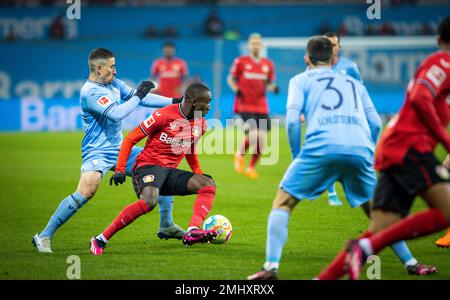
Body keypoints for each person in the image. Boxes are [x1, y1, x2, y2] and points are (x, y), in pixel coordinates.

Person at [247, 36, 432, 280]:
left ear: (306, 58)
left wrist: (296, 155)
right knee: (379, 213)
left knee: (283, 203)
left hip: (320, 148)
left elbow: (292, 121)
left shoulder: (300, 80)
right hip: (360, 149)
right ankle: (412, 263)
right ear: (334, 58)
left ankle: (270, 268)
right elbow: (376, 121)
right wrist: (367, 149)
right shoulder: (354, 83)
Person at [322, 16, 450, 280]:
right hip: (409, 147)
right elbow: (419, 96)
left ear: (438, 39)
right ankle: (366, 247)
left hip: (395, 148)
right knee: (446, 212)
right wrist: (446, 141)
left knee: (379, 229)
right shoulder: (444, 62)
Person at [32, 48, 185, 253]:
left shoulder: (113, 83)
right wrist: (139, 94)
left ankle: (166, 225)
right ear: (99, 68)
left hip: (121, 149)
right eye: (111, 66)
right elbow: (116, 114)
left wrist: (176, 102)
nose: (115, 70)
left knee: (160, 168)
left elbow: (143, 99)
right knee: (87, 190)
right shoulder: (90, 92)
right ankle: (44, 236)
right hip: (97, 151)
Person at [89, 83, 217, 255]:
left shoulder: (201, 123)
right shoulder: (163, 115)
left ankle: (193, 230)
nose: (209, 106)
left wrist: (198, 173)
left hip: (169, 172)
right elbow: (130, 139)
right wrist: (120, 169)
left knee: (208, 184)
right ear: (193, 101)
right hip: (148, 166)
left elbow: (190, 150)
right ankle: (100, 239)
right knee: (149, 201)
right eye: (206, 102)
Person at [228, 33, 278, 179]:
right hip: (245, 105)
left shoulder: (268, 64)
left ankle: (250, 167)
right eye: (253, 43)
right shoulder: (241, 61)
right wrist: (237, 89)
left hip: (261, 106)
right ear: (249, 45)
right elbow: (231, 78)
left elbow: (269, 82)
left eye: (258, 43)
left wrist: (273, 88)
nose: (255, 45)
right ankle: (240, 154)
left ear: (261, 45)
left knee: (262, 140)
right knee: (254, 134)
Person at [323, 32, 363, 206]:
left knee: (346, 154)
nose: (332, 47)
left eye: (334, 44)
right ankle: (331, 193)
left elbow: (360, 91)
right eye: (328, 44)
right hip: (323, 119)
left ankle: (348, 188)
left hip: (346, 119)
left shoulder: (350, 67)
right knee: (329, 155)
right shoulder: (315, 67)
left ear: (339, 46)